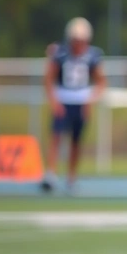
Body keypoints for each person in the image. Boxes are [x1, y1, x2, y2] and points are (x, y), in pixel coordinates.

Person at [41, 18, 107, 194]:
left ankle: (71, 178)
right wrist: (54, 101)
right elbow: (49, 77)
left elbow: (101, 81)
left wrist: (91, 100)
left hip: (81, 101)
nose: (79, 44)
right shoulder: (60, 53)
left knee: (76, 142)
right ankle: (51, 174)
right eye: (76, 40)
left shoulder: (93, 55)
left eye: (82, 40)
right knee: (56, 137)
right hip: (63, 99)